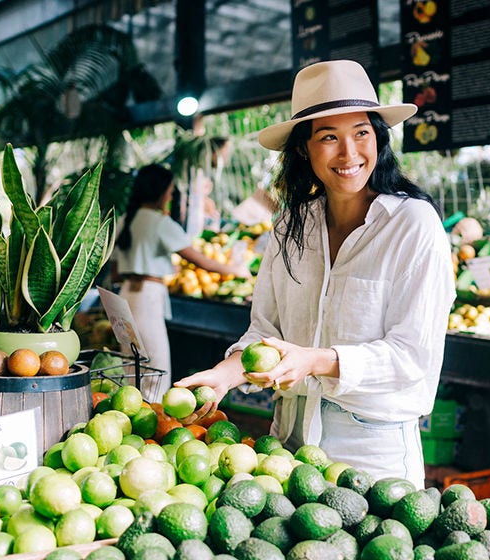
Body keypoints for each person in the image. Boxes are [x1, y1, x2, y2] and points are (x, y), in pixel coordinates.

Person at [177, 60, 456, 488]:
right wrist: (224, 375)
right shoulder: (290, 226)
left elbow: (411, 355)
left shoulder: (412, 224)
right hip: (285, 450)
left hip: (371, 456)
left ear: (379, 140)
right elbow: (264, 331)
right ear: (304, 149)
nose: (349, 153)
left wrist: (315, 361)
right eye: (329, 137)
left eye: (361, 133)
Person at [111, 164, 250, 399]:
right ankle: (153, 423)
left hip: (125, 294)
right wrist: (235, 269)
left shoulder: (125, 220)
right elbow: (200, 261)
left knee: (131, 365)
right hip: (147, 297)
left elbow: (115, 271)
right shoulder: (159, 222)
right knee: (156, 367)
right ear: (163, 191)